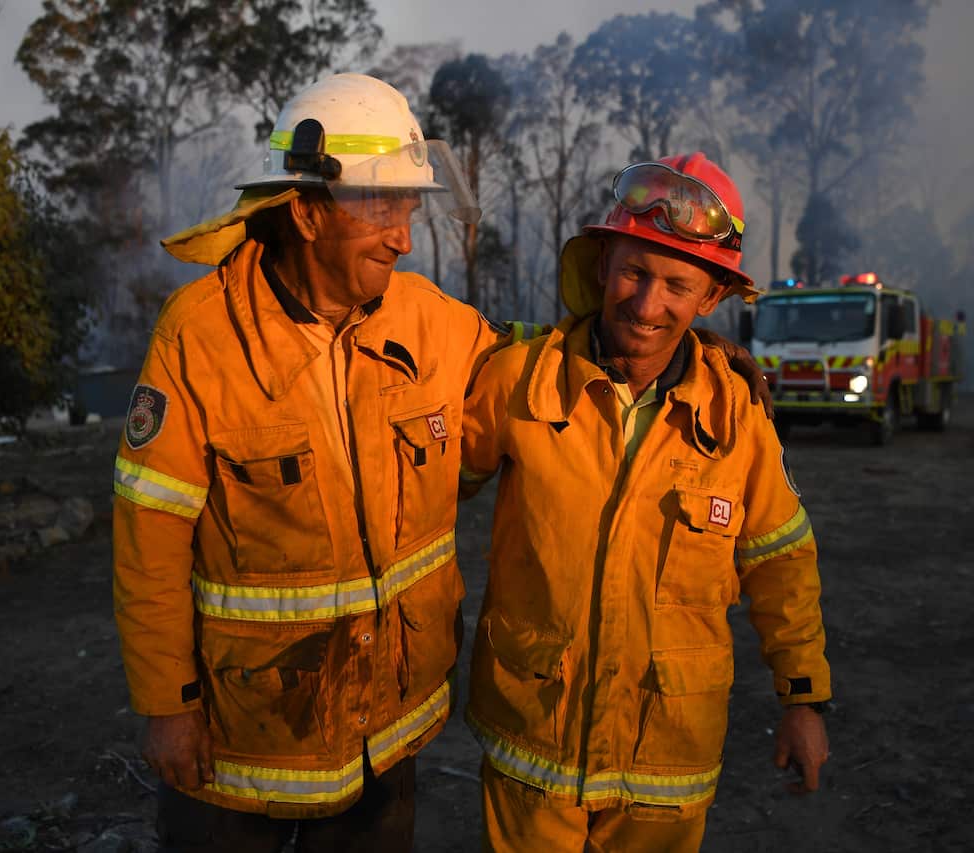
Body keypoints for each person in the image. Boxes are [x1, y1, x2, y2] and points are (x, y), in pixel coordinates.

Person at [112, 75, 772, 851]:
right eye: (382, 207)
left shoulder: (428, 320)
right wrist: (168, 703)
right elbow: (148, 536)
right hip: (242, 742)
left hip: (385, 733)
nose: (402, 236)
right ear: (306, 210)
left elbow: (539, 356)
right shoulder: (200, 337)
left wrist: (676, 344)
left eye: (409, 208)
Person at [459, 153, 831, 852]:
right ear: (602, 264)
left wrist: (803, 698)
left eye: (677, 285)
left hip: (664, 764)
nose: (647, 304)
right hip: (531, 749)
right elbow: (418, 488)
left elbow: (783, 564)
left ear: (710, 298)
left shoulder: (737, 421)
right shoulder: (518, 381)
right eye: (634, 271)